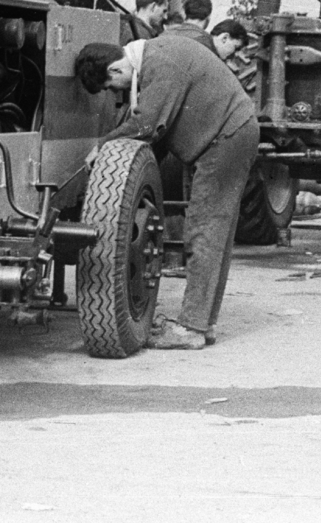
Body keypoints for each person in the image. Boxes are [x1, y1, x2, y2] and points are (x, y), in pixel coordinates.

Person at [74, 36, 259, 349]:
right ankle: (203, 323)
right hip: (223, 137)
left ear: (117, 69)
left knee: (204, 232)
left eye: (111, 86)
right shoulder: (154, 57)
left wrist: (104, 148)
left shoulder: (161, 63)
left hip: (225, 139)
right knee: (212, 233)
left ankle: (192, 329)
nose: (115, 92)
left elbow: (147, 125)